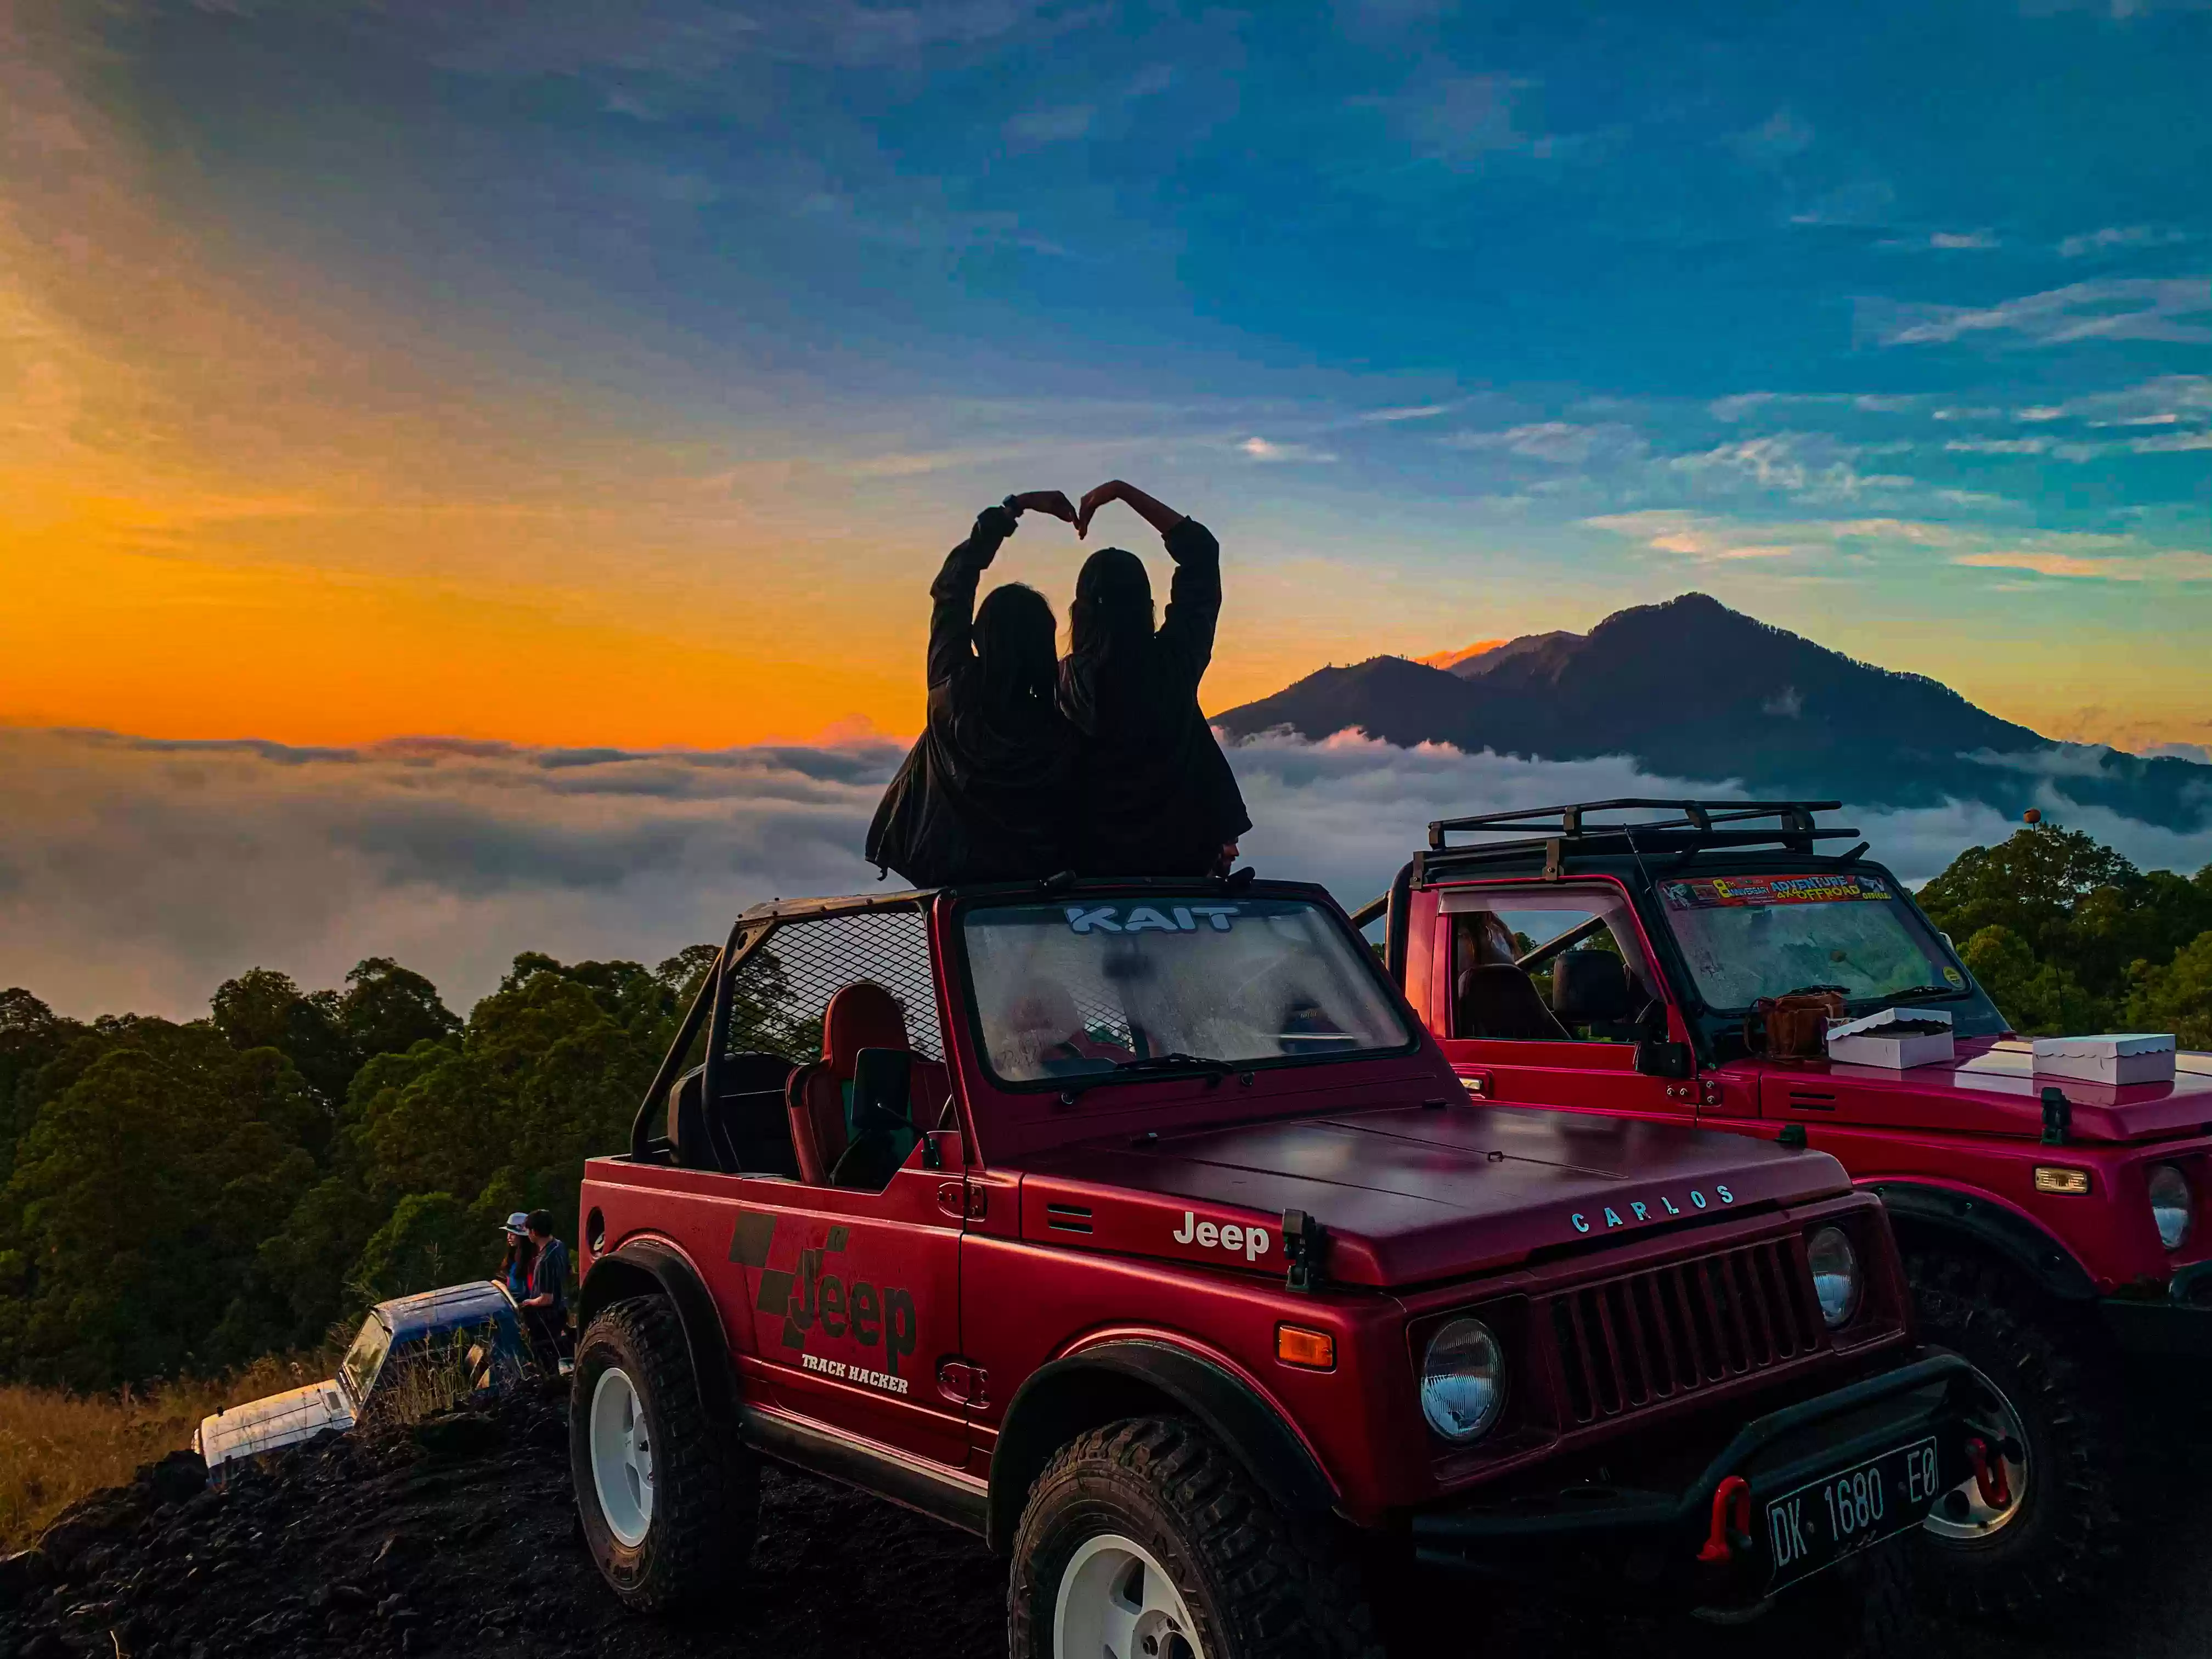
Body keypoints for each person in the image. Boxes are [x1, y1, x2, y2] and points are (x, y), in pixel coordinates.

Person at [866, 493, 1082, 886]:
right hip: (1035, 896)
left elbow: (952, 587)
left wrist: (1010, 511)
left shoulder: (949, 690)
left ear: (980, 633)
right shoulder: (1061, 736)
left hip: (949, 885)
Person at [1058, 480, 1251, 876]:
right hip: (1182, 868)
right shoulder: (1175, 663)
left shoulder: (1061, 685)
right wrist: (1121, 492)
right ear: (1147, 605)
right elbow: (1201, 553)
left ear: (1080, 613)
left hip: (1087, 872)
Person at [520, 1210, 570, 1371]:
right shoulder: (559, 1246)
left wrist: (527, 1302)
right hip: (562, 1310)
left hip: (547, 1318)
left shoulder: (545, 1261)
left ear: (534, 1232)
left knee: (547, 1359)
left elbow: (546, 1299)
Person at [496, 1212, 535, 1304]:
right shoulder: (512, 1257)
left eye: (513, 1234)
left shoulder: (532, 1261)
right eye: (508, 1233)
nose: (509, 1237)